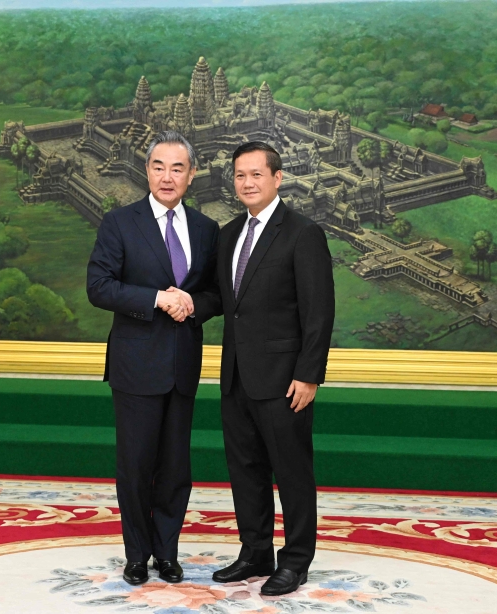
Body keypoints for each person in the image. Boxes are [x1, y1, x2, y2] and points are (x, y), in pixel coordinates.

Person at [193, 141, 335, 596]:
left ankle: (295, 561)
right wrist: (185, 303)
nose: (247, 183)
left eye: (256, 174)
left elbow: (319, 312)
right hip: (236, 375)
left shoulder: (302, 232)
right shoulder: (229, 232)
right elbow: (224, 300)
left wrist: (309, 374)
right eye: (240, 175)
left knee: (291, 472)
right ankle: (255, 552)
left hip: (285, 380)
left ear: (277, 178)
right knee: (245, 469)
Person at [86, 131, 220, 586]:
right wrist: (156, 299)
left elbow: (215, 293)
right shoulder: (120, 223)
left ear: (191, 174)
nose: (168, 176)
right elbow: (99, 286)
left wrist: (192, 304)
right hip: (135, 364)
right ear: (146, 170)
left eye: (177, 168)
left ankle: (167, 552)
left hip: (182, 366)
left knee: (176, 468)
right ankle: (137, 555)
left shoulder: (205, 229)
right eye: (159, 166)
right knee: (137, 465)